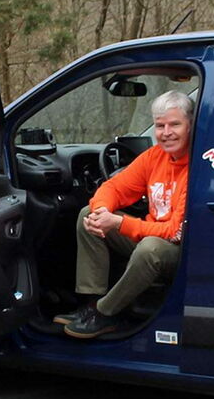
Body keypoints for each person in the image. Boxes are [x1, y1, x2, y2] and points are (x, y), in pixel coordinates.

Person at [59, 90, 192, 339]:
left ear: (191, 125)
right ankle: (92, 302)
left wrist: (120, 222)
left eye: (175, 124)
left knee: (150, 248)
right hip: (149, 238)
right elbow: (115, 187)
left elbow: (174, 231)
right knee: (87, 215)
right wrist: (101, 212)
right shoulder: (155, 156)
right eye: (160, 125)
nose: (166, 132)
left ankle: (106, 311)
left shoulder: (196, 165)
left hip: (179, 251)